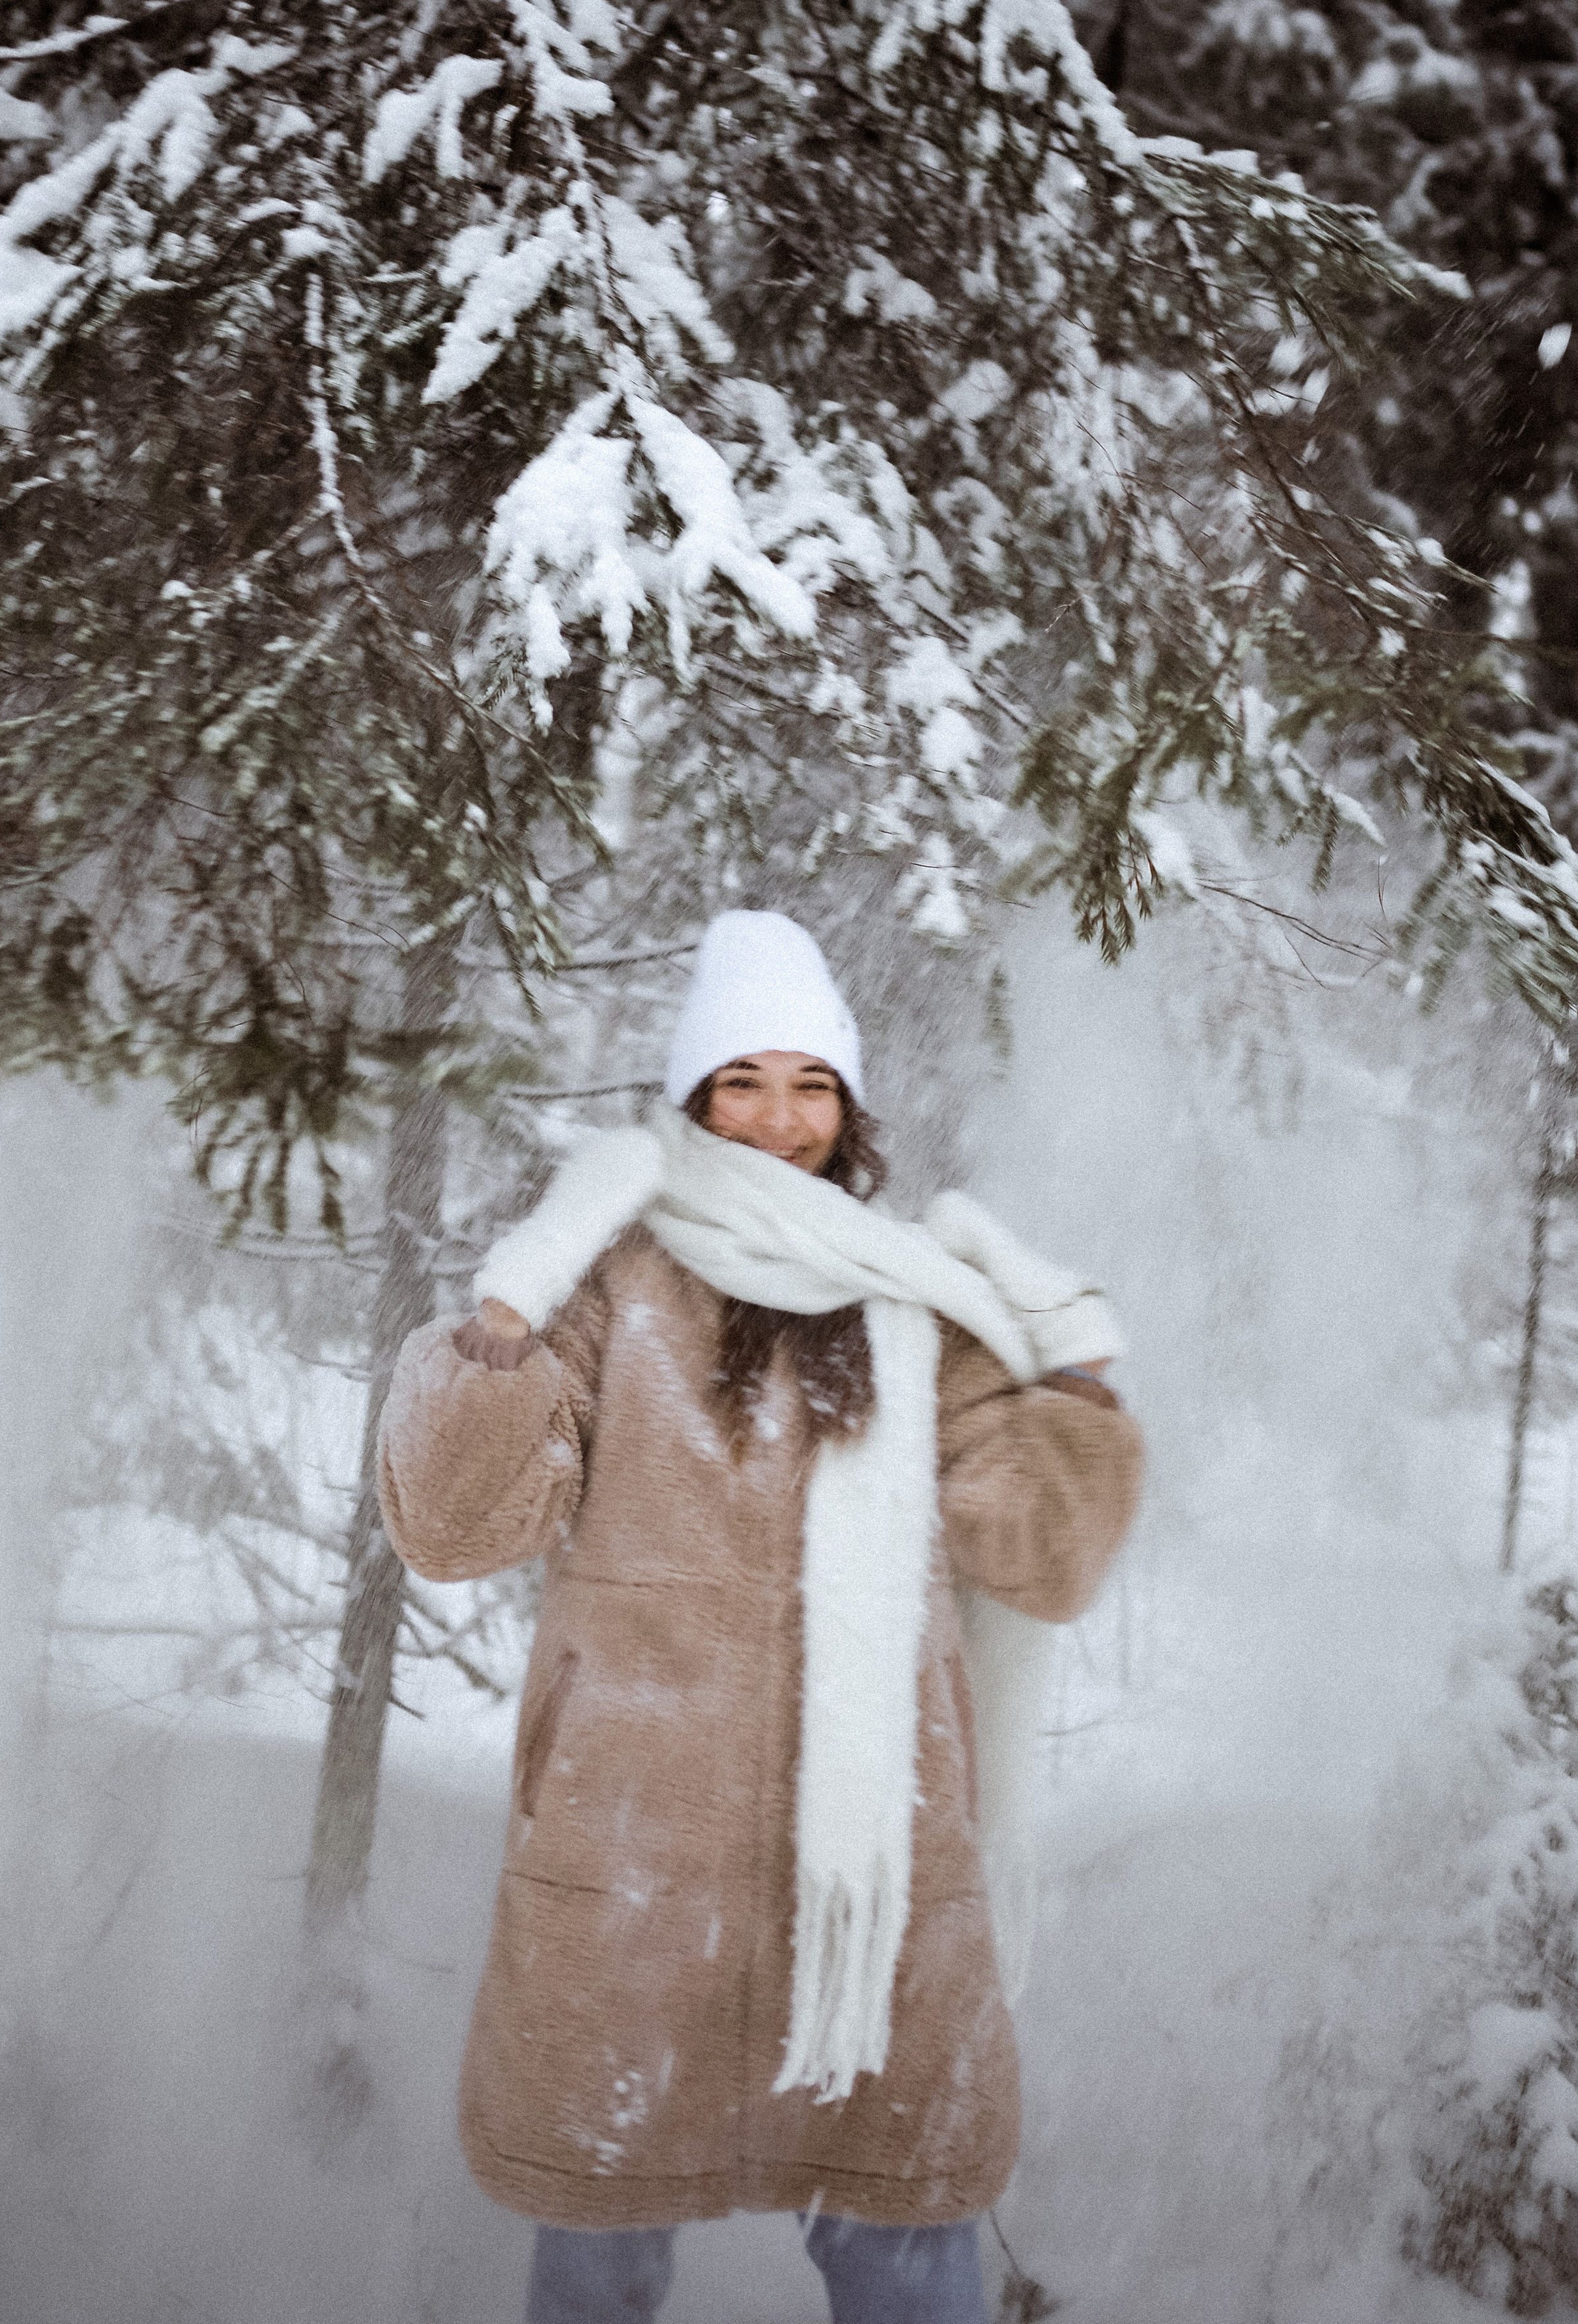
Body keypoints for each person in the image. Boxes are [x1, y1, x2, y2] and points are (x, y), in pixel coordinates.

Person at [377, 911, 1143, 2324]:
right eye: (741, 1080)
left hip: (872, 1888)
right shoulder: (611, 1283)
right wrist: (502, 1317)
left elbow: (1038, 1558)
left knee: (903, 2252)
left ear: (849, 1108)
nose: (777, 1120)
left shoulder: (920, 1307)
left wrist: (1074, 1372)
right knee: (596, 2246)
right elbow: (455, 1526)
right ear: (690, 1095)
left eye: (810, 1085)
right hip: (631, 1860)